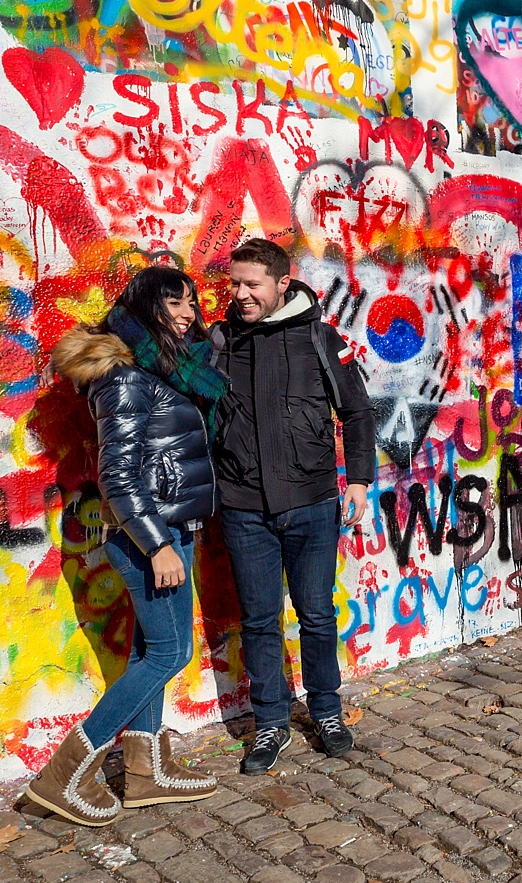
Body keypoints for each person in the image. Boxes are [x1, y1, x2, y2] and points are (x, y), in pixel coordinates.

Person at [29, 265, 228, 823]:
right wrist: (158, 544)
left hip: (170, 530)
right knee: (171, 652)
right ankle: (66, 772)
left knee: (151, 650)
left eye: (191, 302)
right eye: (174, 303)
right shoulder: (123, 375)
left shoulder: (163, 368)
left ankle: (143, 769)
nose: (188, 313)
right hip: (149, 538)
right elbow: (117, 475)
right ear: (146, 306)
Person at [210, 237, 375, 772]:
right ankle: (271, 724)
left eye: (251, 284)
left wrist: (359, 481)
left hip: (311, 501)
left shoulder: (319, 338)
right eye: (235, 283)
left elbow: (357, 411)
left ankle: (327, 711)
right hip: (242, 506)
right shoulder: (219, 341)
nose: (240, 294)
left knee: (317, 616)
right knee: (258, 621)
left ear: (283, 283)